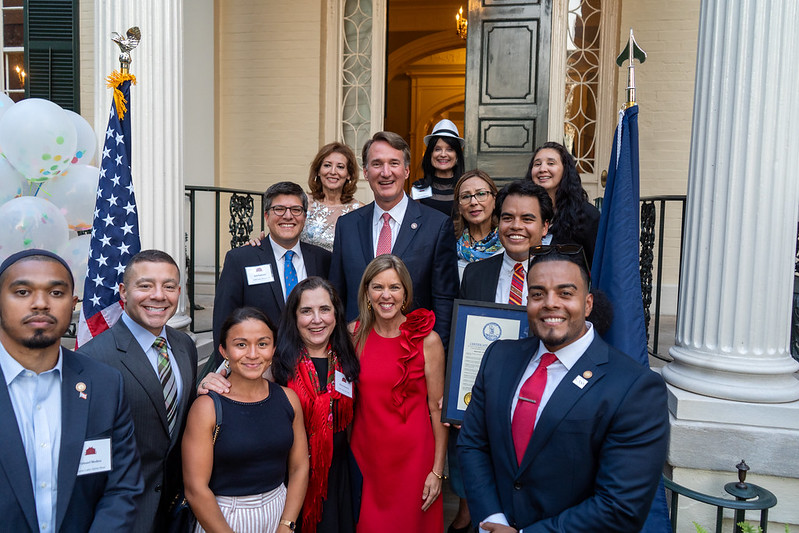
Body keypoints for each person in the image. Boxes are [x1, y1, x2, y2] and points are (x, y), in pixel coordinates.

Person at [458, 246, 669, 532]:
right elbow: (473, 444)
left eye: (565, 293)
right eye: (538, 294)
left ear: (588, 303)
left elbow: (619, 505)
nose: (550, 303)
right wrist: (493, 520)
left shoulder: (635, 388)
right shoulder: (498, 357)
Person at [0, 249, 143, 531]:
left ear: (73, 303)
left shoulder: (105, 384)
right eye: (22, 292)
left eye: (56, 293)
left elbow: (122, 488)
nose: (41, 304)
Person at [79, 249, 198, 533]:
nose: (158, 295)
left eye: (168, 286)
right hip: (125, 515)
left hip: (178, 511)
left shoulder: (185, 346)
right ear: (123, 291)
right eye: (145, 285)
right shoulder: (92, 359)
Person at [183, 307, 309, 533]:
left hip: (278, 510)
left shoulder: (288, 399)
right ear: (223, 350)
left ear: (273, 348)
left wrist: (287, 524)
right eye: (241, 345)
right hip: (223, 517)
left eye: (262, 344)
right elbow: (195, 489)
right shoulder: (207, 408)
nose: (253, 354)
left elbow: (299, 466)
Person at [330, 131, 459, 349]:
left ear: (406, 170)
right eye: (377, 164)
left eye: (394, 163)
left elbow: (444, 301)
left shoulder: (436, 226)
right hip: (356, 352)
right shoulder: (347, 226)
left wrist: (439, 355)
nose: (386, 172)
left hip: (412, 354)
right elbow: (337, 295)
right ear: (366, 172)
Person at [349, 255, 447, 533]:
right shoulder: (353, 334)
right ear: (367, 292)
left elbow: (437, 409)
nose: (386, 295)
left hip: (415, 461)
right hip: (366, 459)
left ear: (405, 293)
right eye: (378, 287)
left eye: (394, 287)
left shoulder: (428, 340)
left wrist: (437, 470)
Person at [272, 277, 359, 533]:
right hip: (289, 478)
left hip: (337, 478)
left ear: (336, 314)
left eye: (324, 309)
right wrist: (215, 378)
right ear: (294, 316)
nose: (317, 319)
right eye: (306, 311)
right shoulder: (276, 363)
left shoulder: (347, 357)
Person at [213, 181, 331, 361]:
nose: (288, 216)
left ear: (304, 217)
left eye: (296, 210)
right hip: (260, 366)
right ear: (266, 216)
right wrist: (226, 369)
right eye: (279, 209)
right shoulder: (240, 260)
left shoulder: (323, 259)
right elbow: (224, 322)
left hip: (314, 363)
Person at [459, 180, 553, 305]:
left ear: (544, 227)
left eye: (527, 219)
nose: (516, 226)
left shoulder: (563, 273)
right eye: (508, 218)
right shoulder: (474, 274)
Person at [525, 142, 600, 264]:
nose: (542, 169)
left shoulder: (587, 215)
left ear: (565, 170)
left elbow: (596, 263)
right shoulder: (523, 209)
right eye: (537, 164)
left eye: (551, 163)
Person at [301, 142, 363, 252]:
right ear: (318, 171)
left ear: (349, 174)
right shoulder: (302, 203)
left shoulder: (360, 211)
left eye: (340, 167)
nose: (333, 172)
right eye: (327, 165)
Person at [452, 169, 502, 279]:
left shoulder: (507, 241)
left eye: (481, 194)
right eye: (466, 196)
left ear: (494, 200)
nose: (473, 202)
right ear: (459, 207)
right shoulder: (449, 243)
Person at [411, 119, 466, 216]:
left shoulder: (466, 187)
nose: (443, 154)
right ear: (430, 154)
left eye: (449, 149)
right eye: (437, 149)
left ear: (457, 156)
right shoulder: (418, 189)